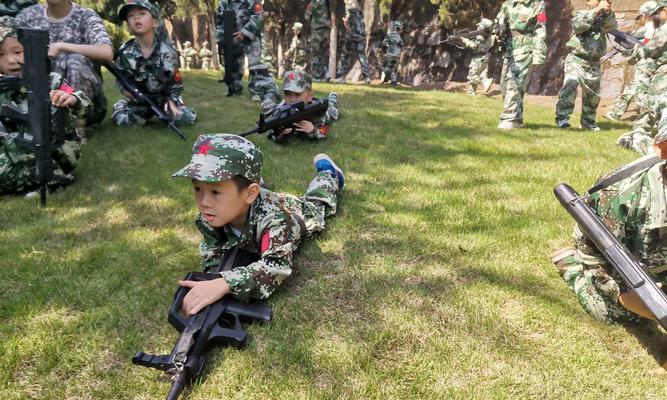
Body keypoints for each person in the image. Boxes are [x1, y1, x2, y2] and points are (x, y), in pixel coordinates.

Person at [172, 134, 345, 309]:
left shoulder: (276, 220)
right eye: (197, 188)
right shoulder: (211, 216)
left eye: (215, 192)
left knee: (319, 202)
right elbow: (212, 251)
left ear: (249, 193)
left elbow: (276, 265)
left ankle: (328, 173)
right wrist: (212, 277)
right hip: (259, 202)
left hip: (295, 212)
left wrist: (226, 284)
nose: (203, 202)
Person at [551, 134, 667, 327]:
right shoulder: (619, 197)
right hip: (610, 256)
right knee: (619, 314)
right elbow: (601, 262)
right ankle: (572, 266)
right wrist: (628, 295)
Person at [0, 16, 89, 196]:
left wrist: (71, 99)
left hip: (56, 152)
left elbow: (85, 103)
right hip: (15, 151)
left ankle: (52, 179)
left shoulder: (50, 80)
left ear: (32, 51)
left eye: (17, 52)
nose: (10, 60)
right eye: (0, 55)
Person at [17, 0, 113, 138]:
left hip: (86, 103)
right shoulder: (29, 16)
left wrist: (62, 46)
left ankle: (77, 127)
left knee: (74, 61)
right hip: (41, 94)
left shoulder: (85, 16)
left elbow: (107, 53)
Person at [111, 0, 196, 127]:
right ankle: (123, 107)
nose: (136, 18)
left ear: (155, 22)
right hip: (139, 101)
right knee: (122, 120)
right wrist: (128, 93)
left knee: (184, 119)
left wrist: (172, 99)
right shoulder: (125, 52)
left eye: (142, 13)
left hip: (163, 99)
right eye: (131, 16)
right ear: (128, 25)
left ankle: (172, 108)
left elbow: (175, 83)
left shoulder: (166, 52)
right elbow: (121, 78)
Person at [555, 0, 616, 131]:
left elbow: (611, 26)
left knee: (592, 95)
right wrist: (595, 11)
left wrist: (608, 12)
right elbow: (578, 26)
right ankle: (562, 118)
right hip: (576, 58)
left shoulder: (605, 17)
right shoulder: (581, 13)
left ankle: (588, 122)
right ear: (588, 2)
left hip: (593, 62)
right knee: (571, 84)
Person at [617, 0, 667, 155]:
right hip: (657, 71)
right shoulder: (655, 28)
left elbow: (649, 49)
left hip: (659, 72)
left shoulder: (663, 29)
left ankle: (638, 137)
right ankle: (642, 135)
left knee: (655, 102)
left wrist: (634, 52)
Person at [493, 0, 547, 130]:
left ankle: (508, 118)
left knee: (514, 82)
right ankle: (517, 119)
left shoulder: (537, 4)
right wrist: (496, 30)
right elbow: (498, 22)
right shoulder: (508, 4)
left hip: (525, 47)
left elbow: (541, 28)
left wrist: (539, 55)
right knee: (504, 85)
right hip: (509, 47)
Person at [606, 1, 657, 121]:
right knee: (635, 87)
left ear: (646, 14)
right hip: (653, 63)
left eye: (642, 17)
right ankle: (617, 112)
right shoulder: (656, 26)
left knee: (636, 88)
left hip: (647, 62)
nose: (641, 20)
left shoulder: (651, 26)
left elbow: (643, 41)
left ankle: (645, 118)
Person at [263, 70, 339, 143]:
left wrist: (313, 130)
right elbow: (272, 133)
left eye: (297, 94)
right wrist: (280, 134)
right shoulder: (281, 111)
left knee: (332, 113)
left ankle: (332, 98)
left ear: (309, 96)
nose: (292, 99)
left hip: (322, 111)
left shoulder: (315, 111)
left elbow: (324, 133)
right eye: (287, 94)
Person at [216, 0, 264, 97]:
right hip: (232, 37)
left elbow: (259, 16)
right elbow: (220, 22)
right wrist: (221, 41)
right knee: (233, 62)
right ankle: (234, 89)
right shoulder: (224, 2)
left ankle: (256, 92)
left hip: (252, 37)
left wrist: (244, 32)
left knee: (254, 63)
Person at [335, 0, 370, 84]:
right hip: (361, 35)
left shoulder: (349, 4)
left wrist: (345, 21)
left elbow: (350, 17)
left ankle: (342, 77)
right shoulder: (358, 5)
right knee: (362, 56)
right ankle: (367, 77)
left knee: (345, 55)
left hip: (352, 34)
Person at [458, 18, 494, 95]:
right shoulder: (486, 36)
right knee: (476, 73)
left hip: (479, 58)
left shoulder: (481, 36)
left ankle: (485, 82)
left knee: (472, 76)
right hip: (483, 57)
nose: (477, 28)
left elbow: (474, 46)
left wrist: (465, 40)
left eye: (479, 27)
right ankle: (471, 92)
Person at [306, 0, 330, 81]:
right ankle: (325, 73)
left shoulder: (314, 2)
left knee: (314, 53)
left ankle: (316, 76)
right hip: (326, 29)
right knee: (322, 53)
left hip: (317, 30)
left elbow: (307, 16)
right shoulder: (324, 2)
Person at [381, 20, 404, 86]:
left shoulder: (389, 35)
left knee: (387, 68)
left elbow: (383, 43)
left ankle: (387, 79)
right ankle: (393, 82)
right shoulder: (399, 37)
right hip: (397, 55)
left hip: (390, 54)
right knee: (394, 70)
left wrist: (385, 50)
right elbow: (402, 45)